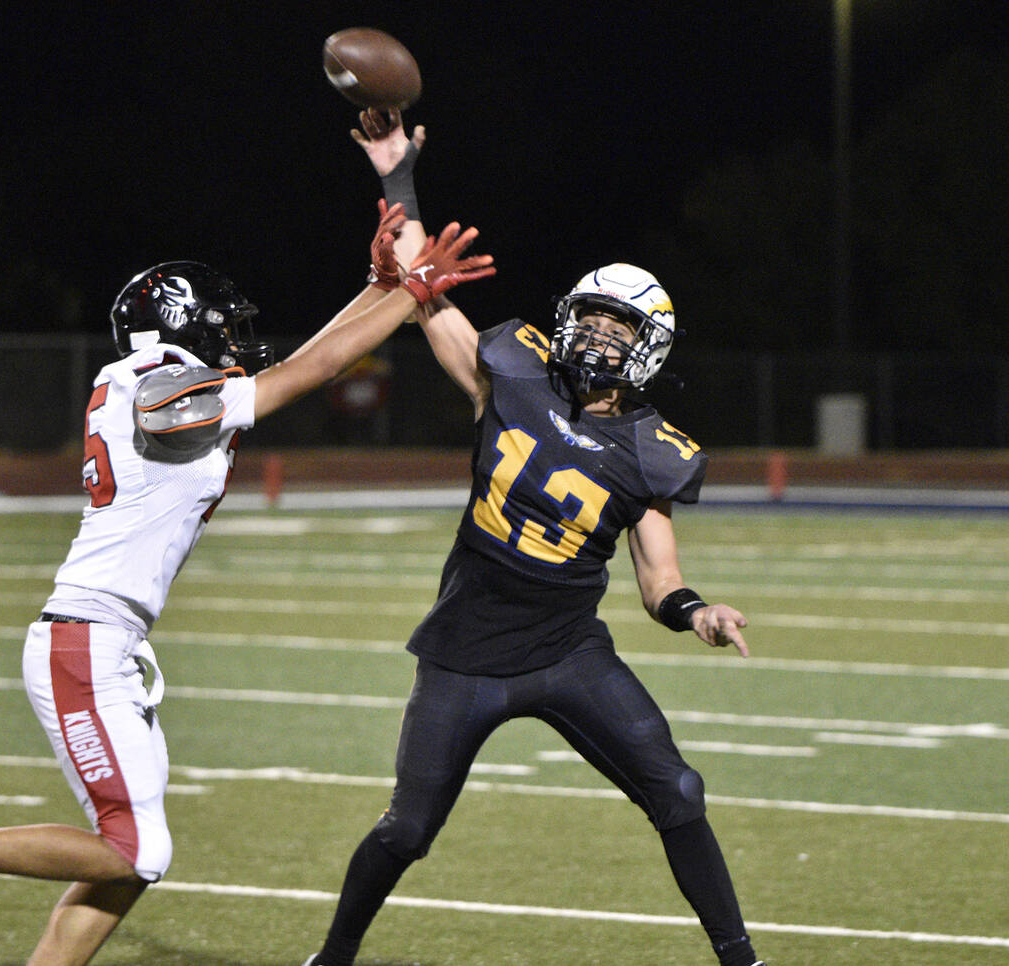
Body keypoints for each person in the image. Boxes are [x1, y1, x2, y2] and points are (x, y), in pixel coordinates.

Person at [0, 199, 495, 966]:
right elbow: (307, 372)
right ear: (181, 324)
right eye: (220, 323)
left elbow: (306, 359)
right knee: (137, 850)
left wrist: (380, 285)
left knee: (126, 864)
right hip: (84, 643)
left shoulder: (156, 376)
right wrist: (409, 296)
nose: (232, 338)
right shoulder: (153, 377)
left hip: (105, 643)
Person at [301, 112, 764, 966]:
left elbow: (659, 580)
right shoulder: (509, 372)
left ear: (649, 349)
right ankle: (330, 960)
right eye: (588, 318)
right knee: (406, 830)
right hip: (465, 653)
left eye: (616, 328)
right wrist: (398, 177)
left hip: (566, 653)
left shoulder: (655, 453)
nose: (594, 336)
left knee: (681, 792)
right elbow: (420, 285)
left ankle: (742, 959)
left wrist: (698, 613)